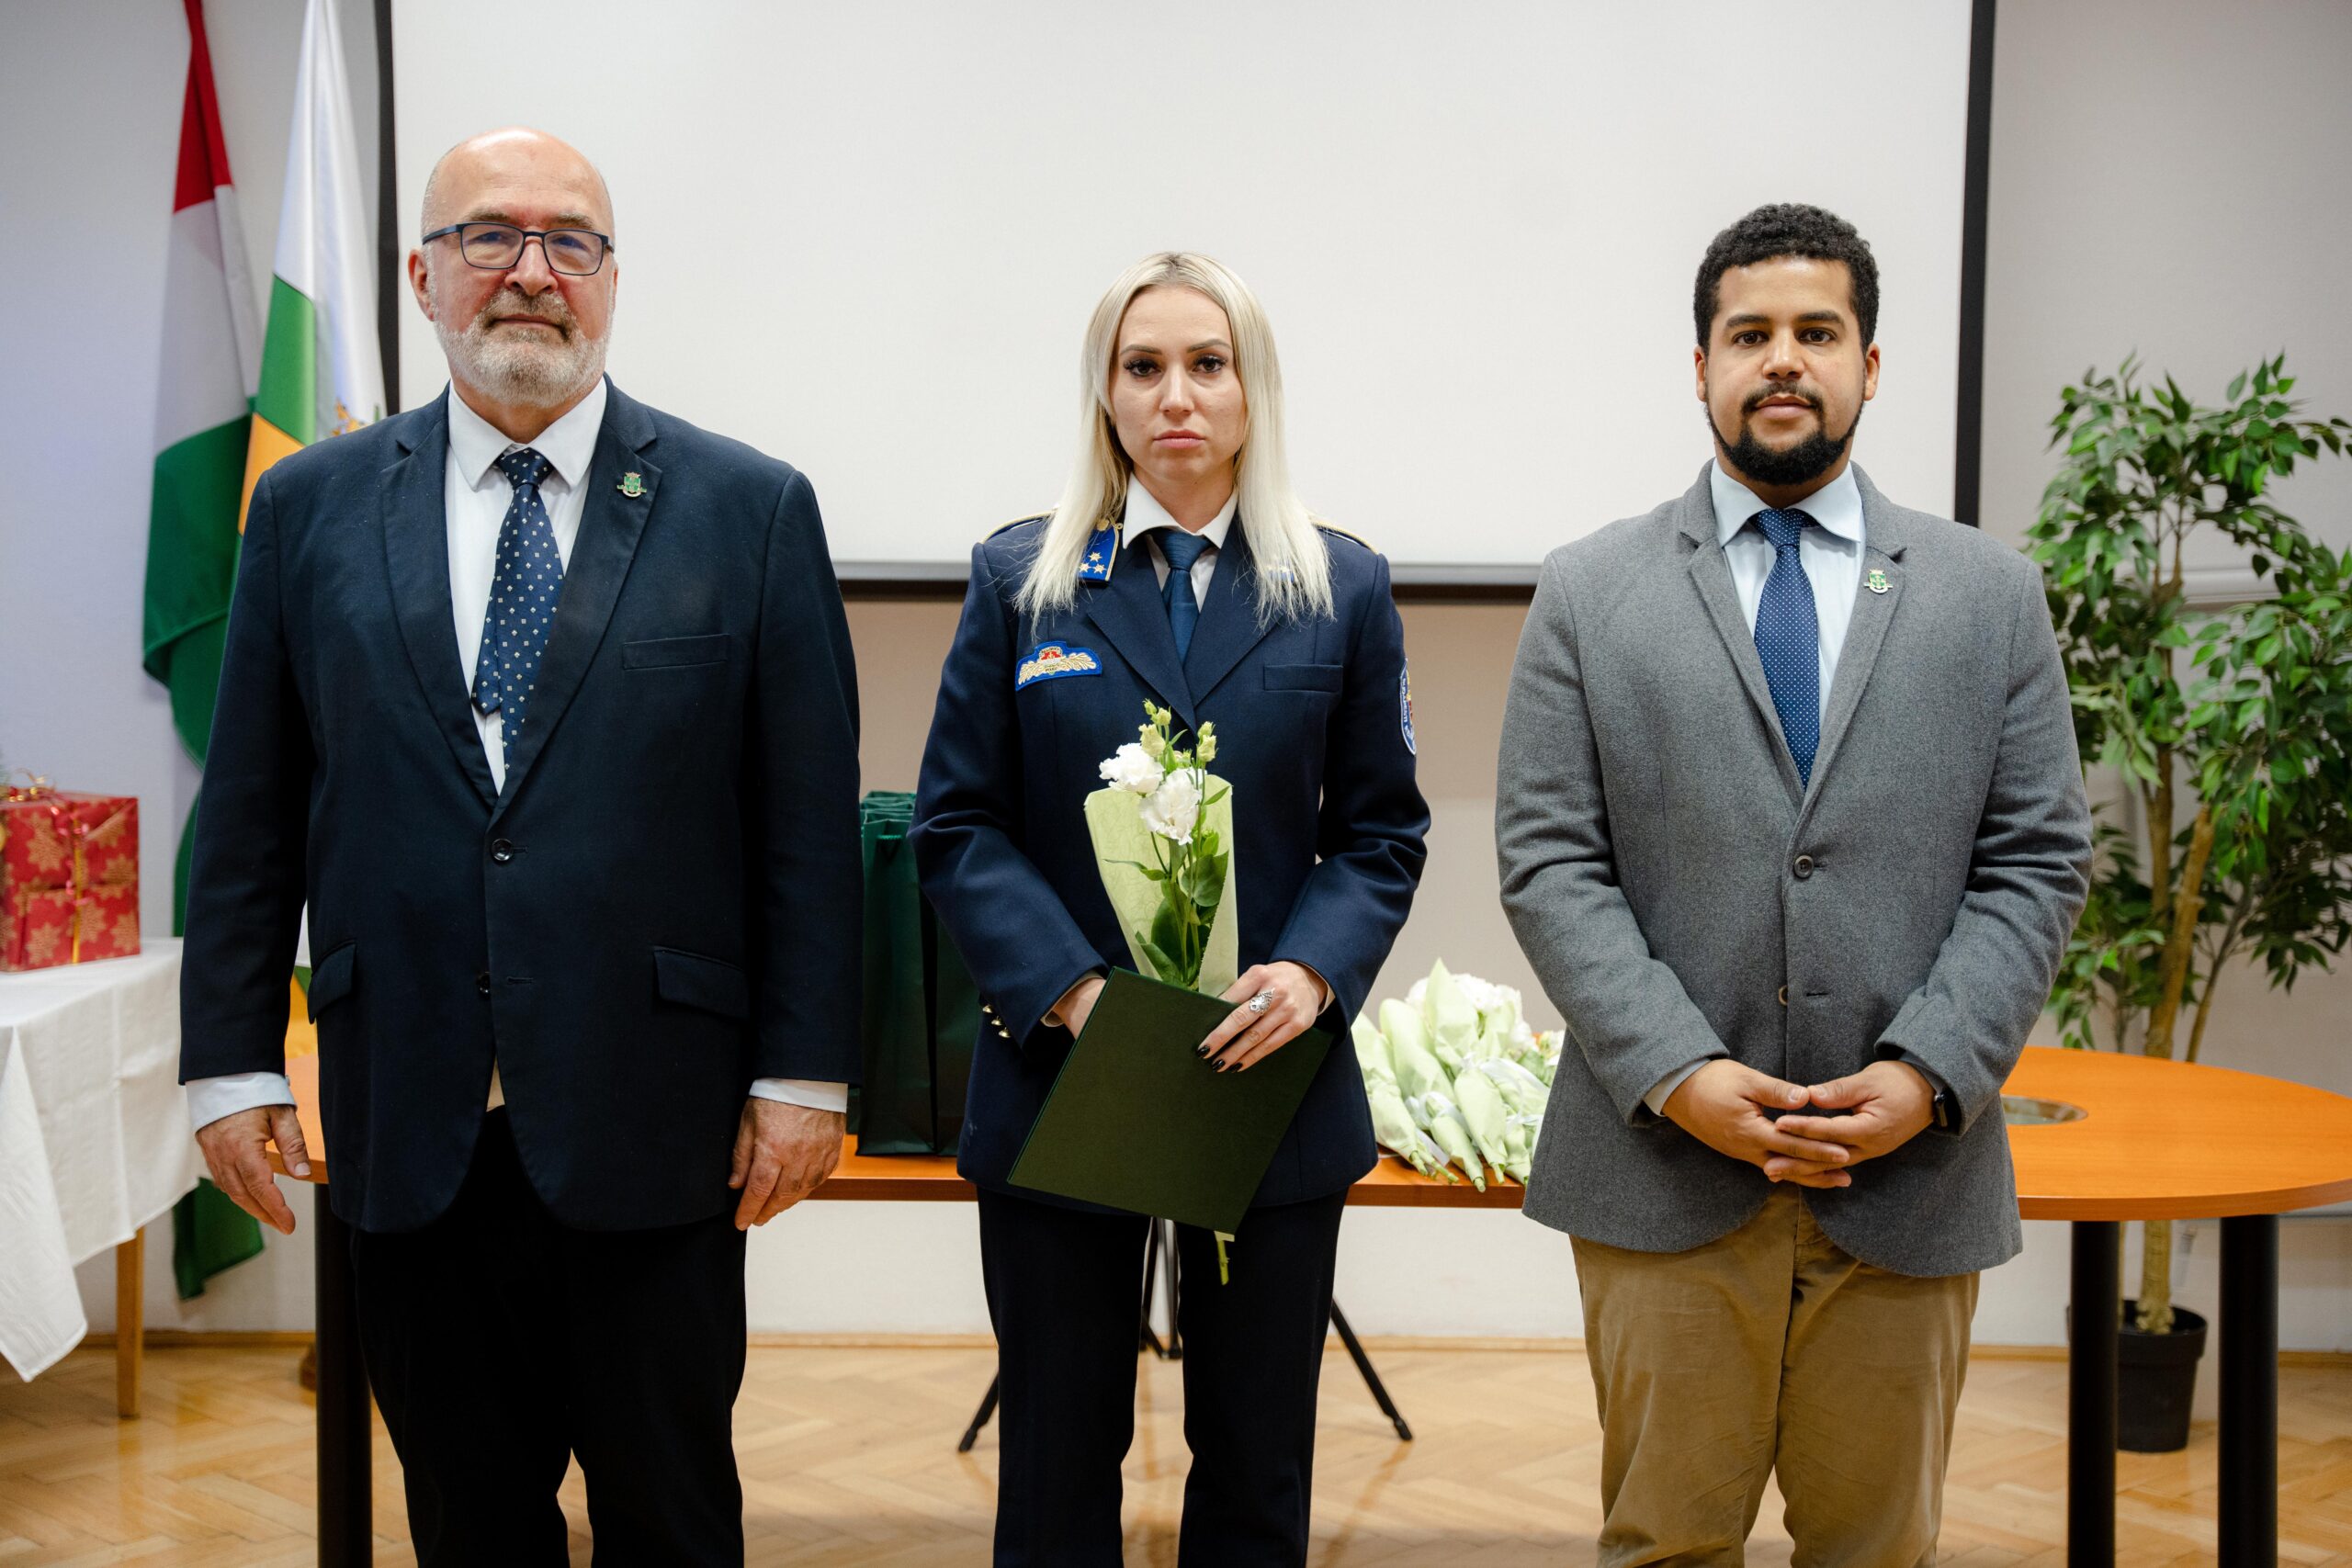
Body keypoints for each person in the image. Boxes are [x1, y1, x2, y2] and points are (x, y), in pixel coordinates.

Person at [177, 127, 862, 1563]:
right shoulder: (307, 507)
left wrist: (802, 1074)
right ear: (422, 276)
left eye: (572, 242)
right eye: (490, 236)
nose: (532, 273)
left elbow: (802, 827)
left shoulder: (749, 508)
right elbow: (249, 809)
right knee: (468, 1524)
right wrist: (230, 1061)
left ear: (612, 278)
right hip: (407, 1114)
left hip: (658, 1122)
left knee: (674, 1519)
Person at [1496, 204, 2092, 1562]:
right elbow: (1548, 860)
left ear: (1868, 366)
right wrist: (1679, 1073)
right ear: (1700, 366)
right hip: (1662, 1171)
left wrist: (1929, 1072)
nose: (1782, 360)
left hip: (1909, 1180)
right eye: (1748, 333)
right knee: (1664, 1544)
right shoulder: (1589, 591)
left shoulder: (1989, 594)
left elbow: (2038, 858)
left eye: (1816, 333)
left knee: (1878, 1550)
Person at [912, 252, 1428, 1566]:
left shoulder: (1343, 585)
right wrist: (1073, 991)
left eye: (1209, 364)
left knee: (1257, 1461)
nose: (1177, 396)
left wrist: (1312, 974)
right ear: (1106, 392)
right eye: (1143, 367)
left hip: (1269, 1077)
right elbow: (958, 824)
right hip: (1065, 1072)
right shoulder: (1022, 578)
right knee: (1055, 1460)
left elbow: (1380, 834)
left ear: (1255, 389)